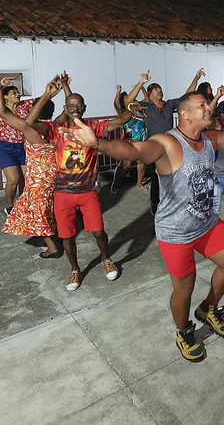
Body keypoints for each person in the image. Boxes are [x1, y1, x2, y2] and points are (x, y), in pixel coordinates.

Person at [59, 81, 224, 362]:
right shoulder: (167, 143)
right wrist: (98, 143)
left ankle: (208, 309)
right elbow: (134, 152)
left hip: (206, 223)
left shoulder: (209, 139)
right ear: (186, 114)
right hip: (175, 232)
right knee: (184, 287)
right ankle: (183, 330)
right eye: (202, 105)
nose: (209, 107)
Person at [25, 80, 133, 291]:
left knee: (98, 232)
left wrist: (128, 105)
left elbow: (121, 121)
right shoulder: (56, 129)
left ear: (84, 108)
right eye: (71, 106)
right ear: (65, 109)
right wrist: (47, 95)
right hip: (63, 193)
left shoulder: (93, 127)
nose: (75, 109)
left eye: (79, 105)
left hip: (87, 192)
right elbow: (29, 122)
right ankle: (75, 270)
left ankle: (106, 258)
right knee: (67, 236)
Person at [0, 77, 61, 258]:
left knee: (36, 210)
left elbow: (2, 112)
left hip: (38, 180)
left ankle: (52, 246)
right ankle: (56, 235)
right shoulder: (57, 125)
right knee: (49, 207)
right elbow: (67, 113)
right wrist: (64, 88)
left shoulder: (30, 129)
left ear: (34, 112)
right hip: (53, 176)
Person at [140, 68, 205, 214]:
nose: (159, 91)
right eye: (155, 89)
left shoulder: (168, 105)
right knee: (156, 178)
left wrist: (196, 78)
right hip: (154, 148)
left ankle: (173, 202)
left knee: (174, 176)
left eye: (160, 88)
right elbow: (129, 101)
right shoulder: (146, 107)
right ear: (150, 94)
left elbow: (186, 97)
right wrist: (141, 83)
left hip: (170, 147)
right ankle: (155, 205)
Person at [0, 77, 42, 215]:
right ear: (5, 97)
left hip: (23, 147)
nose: (18, 94)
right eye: (13, 93)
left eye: (18, 92)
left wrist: (59, 87)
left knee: (27, 178)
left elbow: (41, 100)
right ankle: (9, 206)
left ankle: (23, 203)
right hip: (5, 148)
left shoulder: (23, 106)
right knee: (13, 179)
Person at [112, 73, 151, 192]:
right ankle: (115, 184)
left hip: (141, 140)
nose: (128, 99)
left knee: (142, 162)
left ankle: (139, 183)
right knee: (125, 164)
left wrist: (143, 87)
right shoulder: (123, 112)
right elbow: (116, 103)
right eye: (125, 98)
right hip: (129, 141)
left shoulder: (137, 107)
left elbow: (147, 100)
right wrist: (118, 92)